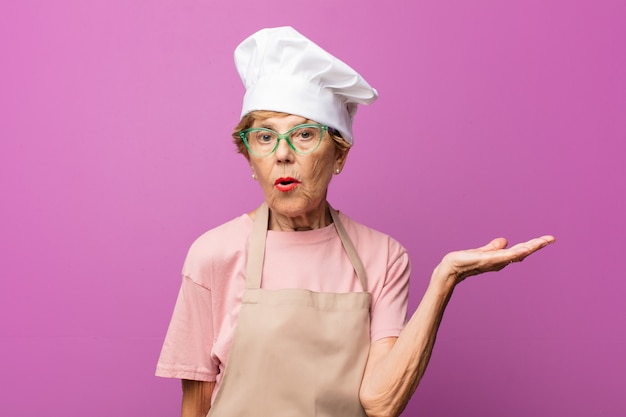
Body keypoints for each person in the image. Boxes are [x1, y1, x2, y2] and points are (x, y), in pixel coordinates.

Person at [156, 26, 555, 417]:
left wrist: (445, 279)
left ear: (340, 155)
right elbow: (195, 407)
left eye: (305, 134)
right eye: (264, 137)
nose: (282, 154)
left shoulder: (382, 256)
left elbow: (380, 403)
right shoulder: (213, 255)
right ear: (249, 159)